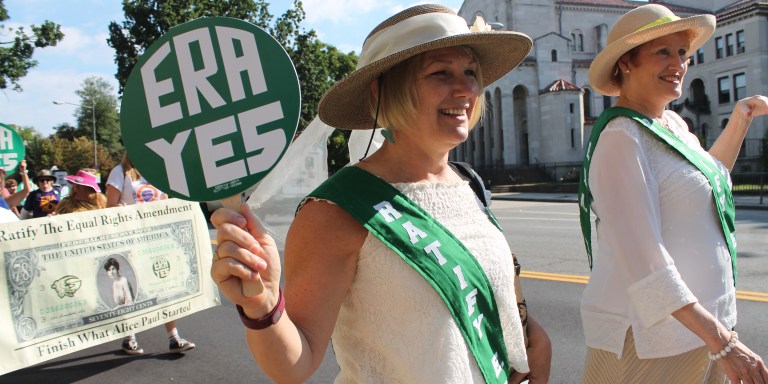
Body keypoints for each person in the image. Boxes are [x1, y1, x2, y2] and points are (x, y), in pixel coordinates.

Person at [211, 4, 551, 383]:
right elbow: (295, 364)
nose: (466, 88)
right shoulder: (336, 210)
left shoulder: (468, 183)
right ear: (383, 92)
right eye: (441, 72)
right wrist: (263, 305)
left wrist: (534, 338)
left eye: (470, 72)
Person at [578, 4, 768, 383]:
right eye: (662, 52)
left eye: (681, 52)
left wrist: (741, 117)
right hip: (651, 345)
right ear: (626, 64)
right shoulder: (622, 137)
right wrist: (723, 343)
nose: (678, 63)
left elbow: (706, 180)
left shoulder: (671, 124)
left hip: (701, 331)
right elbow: (645, 262)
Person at [105, 153, 194, 356]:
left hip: (156, 240)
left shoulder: (158, 174)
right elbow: (108, 207)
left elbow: (165, 202)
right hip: (130, 240)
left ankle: (174, 338)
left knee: (163, 287)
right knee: (132, 290)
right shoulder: (120, 172)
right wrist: (121, 209)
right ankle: (130, 337)